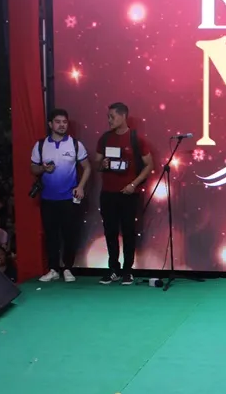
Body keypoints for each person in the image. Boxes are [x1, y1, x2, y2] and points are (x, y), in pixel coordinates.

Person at [94, 102, 154, 285]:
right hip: (108, 194)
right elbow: (96, 164)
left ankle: (128, 270)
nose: (109, 120)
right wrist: (102, 164)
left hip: (129, 194)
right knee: (110, 232)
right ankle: (113, 269)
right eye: (108, 117)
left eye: (112, 116)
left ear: (123, 116)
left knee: (128, 232)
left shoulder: (137, 139)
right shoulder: (105, 139)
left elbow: (149, 165)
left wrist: (133, 184)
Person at [31, 108, 92, 283]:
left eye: (64, 122)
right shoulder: (41, 145)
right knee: (51, 235)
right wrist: (43, 168)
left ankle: (68, 268)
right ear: (50, 124)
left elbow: (87, 167)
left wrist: (80, 187)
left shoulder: (75, 144)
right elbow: (33, 168)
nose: (62, 125)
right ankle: (53, 269)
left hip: (69, 199)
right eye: (58, 122)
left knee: (69, 235)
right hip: (48, 199)